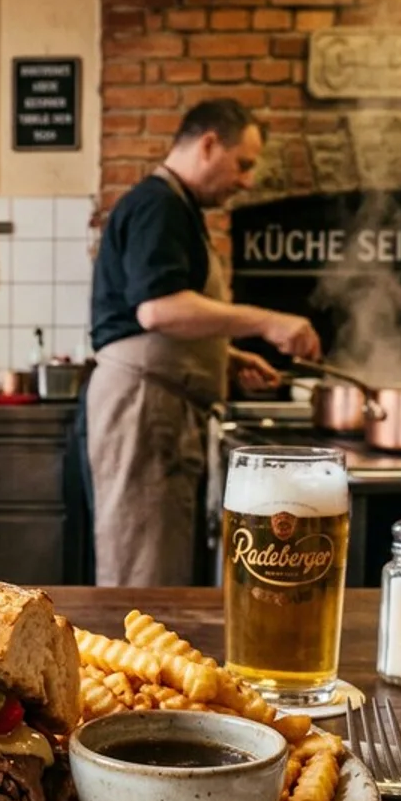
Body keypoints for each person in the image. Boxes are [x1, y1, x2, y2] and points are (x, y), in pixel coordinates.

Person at [84, 98, 323, 587]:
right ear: (209, 144)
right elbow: (157, 309)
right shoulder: (159, 204)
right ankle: (133, 669)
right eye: (244, 164)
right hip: (144, 409)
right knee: (143, 573)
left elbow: (161, 317)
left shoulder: (176, 207)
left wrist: (223, 356)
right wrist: (266, 322)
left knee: (160, 564)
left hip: (157, 407)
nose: (246, 181)